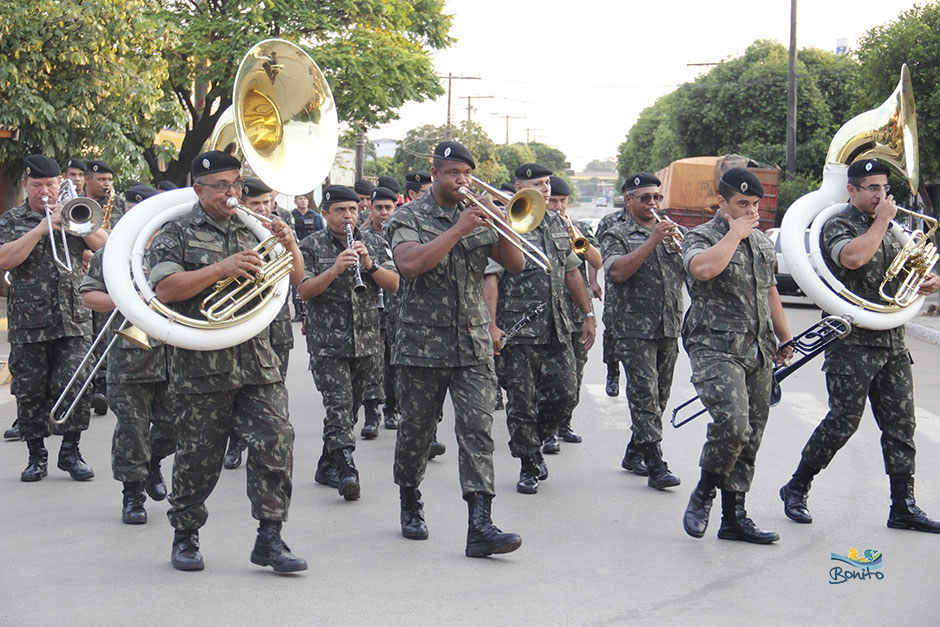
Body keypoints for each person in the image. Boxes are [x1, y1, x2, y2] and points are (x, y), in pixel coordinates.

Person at [146, 150, 306, 572]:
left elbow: (296, 281)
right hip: (202, 365)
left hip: (256, 360)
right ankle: (186, 534)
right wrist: (222, 268)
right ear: (198, 189)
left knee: (277, 440)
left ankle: (270, 537)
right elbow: (165, 288)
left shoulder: (254, 228)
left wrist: (289, 245)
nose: (232, 192)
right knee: (199, 457)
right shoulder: (176, 231)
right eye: (222, 186)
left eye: (236, 184)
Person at [779, 158, 940, 533]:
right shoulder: (838, 222)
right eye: (872, 188)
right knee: (842, 422)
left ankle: (903, 505)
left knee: (902, 425)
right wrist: (883, 220)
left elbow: (903, 275)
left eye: (884, 188)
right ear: (852, 190)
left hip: (891, 341)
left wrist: (926, 281)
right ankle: (796, 487)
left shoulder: (891, 228)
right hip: (850, 341)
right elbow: (852, 258)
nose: (881, 196)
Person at [386, 140, 524, 557]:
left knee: (478, 431)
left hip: (473, 342)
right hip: (421, 345)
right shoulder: (407, 216)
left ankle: (480, 522)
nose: (462, 181)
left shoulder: (477, 215)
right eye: (453, 174)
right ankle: (410, 499)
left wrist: (502, 224)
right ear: (435, 174)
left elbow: (514, 264)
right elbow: (409, 265)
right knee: (416, 432)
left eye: (467, 174)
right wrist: (459, 229)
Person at [680, 168, 793, 544]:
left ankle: (734, 517)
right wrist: (734, 234)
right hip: (714, 347)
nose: (750, 211)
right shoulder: (701, 237)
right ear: (722, 202)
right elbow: (703, 269)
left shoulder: (761, 243)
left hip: (757, 349)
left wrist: (785, 338)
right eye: (742, 203)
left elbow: (771, 292)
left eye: (755, 205)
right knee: (733, 424)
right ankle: (704, 492)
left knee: (751, 435)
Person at [483, 163, 596, 494]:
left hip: (558, 326)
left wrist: (587, 313)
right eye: (538, 184)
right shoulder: (505, 221)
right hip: (519, 329)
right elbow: (492, 276)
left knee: (566, 394)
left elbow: (573, 271)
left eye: (547, 183)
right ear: (519, 186)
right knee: (521, 401)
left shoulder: (556, 222)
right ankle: (528, 461)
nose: (546, 189)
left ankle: (538, 438)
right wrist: (491, 325)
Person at [0, 155, 108, 482]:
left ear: (59, 184)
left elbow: (105, 247)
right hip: (28, 323)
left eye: (50, 185)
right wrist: (40, 229)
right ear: (25, 186)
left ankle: (71, 451)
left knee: (76, 382)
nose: (44, 192)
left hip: (73, 318)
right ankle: (36, 455)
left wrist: (76, 221)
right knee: (30, 391)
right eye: (37, 186)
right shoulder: (11, 219)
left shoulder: (75, 211)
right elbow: (5, 259)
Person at [298, 185, 399, 500]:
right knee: (339, 406)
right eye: (340, 210)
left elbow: (395, 284)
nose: (347, 216)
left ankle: (326, 464)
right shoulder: (309, 245)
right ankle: (346, 470)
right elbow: (303, 291)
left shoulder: (374, 243)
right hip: (328, 344)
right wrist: (334, 268)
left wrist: (370, 265)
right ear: (325, 213)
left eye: (353, 210)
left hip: (367, 340)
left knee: (350, 409)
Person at [79, 222, 176, 524]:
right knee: (132, 430)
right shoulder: (112, 254)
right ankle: (132, 495)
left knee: (175, 426)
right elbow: (88, 296)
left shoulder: (174, 249)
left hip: (176, 354)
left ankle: (153, 462)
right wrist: (124, 300)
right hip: (130, 357)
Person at [601, 173, 684, 490]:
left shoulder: (675, 232)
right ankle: (656, 463)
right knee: (645, 397)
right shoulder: (616, 233)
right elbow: (618, 272)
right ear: (628, 200)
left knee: (660, 398)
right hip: (633, 329)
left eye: (657, 197)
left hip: (668, 325)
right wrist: (652, 241)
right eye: (645, 198)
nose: (653, 203)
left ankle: (635, 452)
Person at [222, 177, 296, 471]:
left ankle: (263, 449)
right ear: (242, 204)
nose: (264, 210)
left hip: (275, 325)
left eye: (267, 203)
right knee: (236, 391)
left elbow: (297, 278)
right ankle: (236, 440)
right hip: (239, 324)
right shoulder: (235, 232)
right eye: (256, 205)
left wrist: (289, 243)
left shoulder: (280, 230)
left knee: (274, 395)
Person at [544, 175, 601, 450]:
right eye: (552, 200)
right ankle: (547, 428)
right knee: (550, 373)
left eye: (562, 201)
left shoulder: (576, 228)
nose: (557, 206)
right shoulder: (535, 226)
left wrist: (573, 234)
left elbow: (596, 260)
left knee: (575, 370)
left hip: (576, 310)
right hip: (549, 311)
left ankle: (564, 422)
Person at [84, 160, 126, 415]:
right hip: (79, 277)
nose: (106, 185)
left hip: (104, 270)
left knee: (103, 328)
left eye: (109, 180)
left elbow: (117, 236)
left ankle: (100, 384)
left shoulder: (116, 203)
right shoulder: (74, 203)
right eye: (101, 180)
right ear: (88, 179)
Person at [363, 186, 400, 433]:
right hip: (369, 310)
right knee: (371, 363)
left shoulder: (402, 234)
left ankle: (391, 409)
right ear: (371, 209)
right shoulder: (361, 237)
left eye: (388, 208)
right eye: (379, 208)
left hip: (397, 308)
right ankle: (370, 414)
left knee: (393, 363)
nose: (384, 213)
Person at [595, 187, 633, 401]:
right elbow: (594, 251)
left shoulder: (660, 223)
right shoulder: (610, 222)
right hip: (616, 290)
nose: (652, 202)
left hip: (647, 294)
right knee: (611, 333)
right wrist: (593, 281)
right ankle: (612, 372)